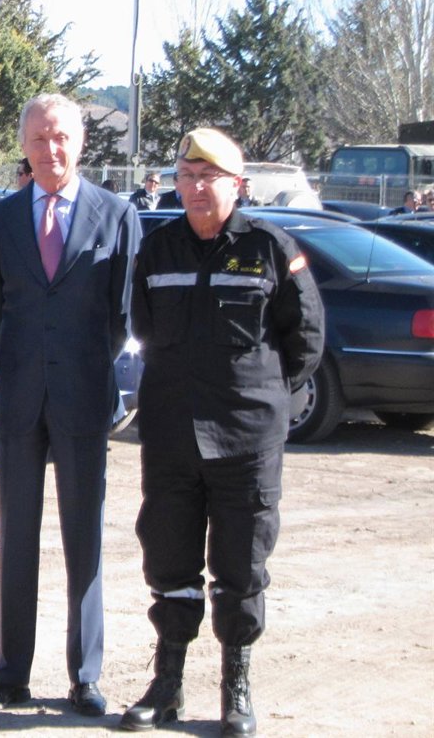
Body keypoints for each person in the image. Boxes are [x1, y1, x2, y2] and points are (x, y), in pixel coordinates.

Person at [121, 127, 324, 736]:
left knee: (241, 565)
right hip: (172, 436)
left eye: (209, 177)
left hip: (245, 440)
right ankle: (168, 685)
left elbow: (305, 338)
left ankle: (235, 688)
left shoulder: (270, 247)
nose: (196, 188)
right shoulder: (158, 249)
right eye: (186, 177)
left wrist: (260, 398)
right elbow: (143, 327)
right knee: (169, 559)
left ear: (238, 185)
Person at [0, 93, 140, 718]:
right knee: (16, 538)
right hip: (18, 399)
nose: (50, 149)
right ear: (24, 145)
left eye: (61, 136)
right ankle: (10, 674)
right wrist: (17, 368)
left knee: (83, 539)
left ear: (80, 142)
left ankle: (85, 676)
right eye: (39, 138)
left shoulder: (116, 214)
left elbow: (123, 316)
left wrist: (83, 365)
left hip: (83, 398)